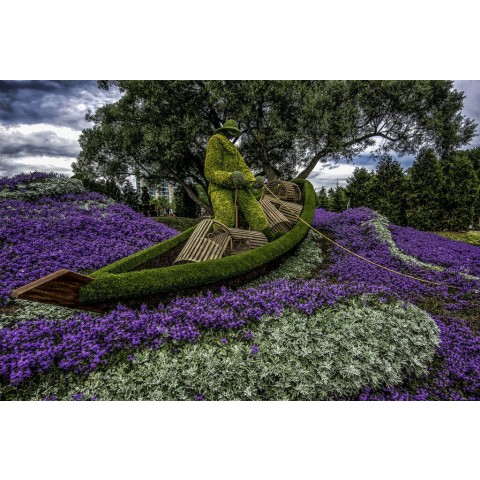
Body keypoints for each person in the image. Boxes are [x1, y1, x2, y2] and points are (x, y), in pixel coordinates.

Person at [204, 119, 275, 242]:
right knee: (225, 214)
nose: (232, 135)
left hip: (237, 185)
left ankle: (269, 238)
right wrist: (229, 177)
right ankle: (219, 243)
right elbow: (210, 171)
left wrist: (253, 181)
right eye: (231, 132)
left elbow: (243, 168)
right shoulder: (215, 140)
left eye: (234, 132)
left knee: (254, 208)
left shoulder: (234, 149)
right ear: (225, 131)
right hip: (219, 187)